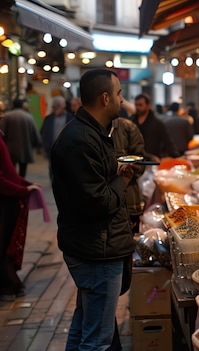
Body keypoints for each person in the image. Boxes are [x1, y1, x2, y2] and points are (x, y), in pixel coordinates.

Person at [50, 69, 138, 351]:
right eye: (119, 94)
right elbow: (98, 201)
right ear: (104, 98)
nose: (122, 101)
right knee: (97, 339)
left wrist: (116, 171)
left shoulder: (91, 134)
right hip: (97, 249)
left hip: (93, 246)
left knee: (84, 325)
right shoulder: (81, 140)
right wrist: (123, 180)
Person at [0, 129, 41, 301]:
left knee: (5, 244)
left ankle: (9, 285)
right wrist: (22, 189)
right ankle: (8, 286)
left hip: (7, 201)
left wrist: (24, 185)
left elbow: (8, 172)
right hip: (4, 202)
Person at [110, 116, 146, 234]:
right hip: (99, 207)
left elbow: (141, 163)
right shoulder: (87, 132)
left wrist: (136, 166)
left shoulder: (128, 127)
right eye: (118, 95)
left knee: (128, 245)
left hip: (128, 201)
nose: (121, 100)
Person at [0, 98, 41, 177]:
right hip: (25, 148)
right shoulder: (28, 117)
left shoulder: (7, 116)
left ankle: (14, 183)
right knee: (23, 169)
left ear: (12, 105)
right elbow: (34, 133)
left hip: (10, 148)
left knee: (11, 169)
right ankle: (22, 182)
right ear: (22, 105)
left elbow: (2, 132)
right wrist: (38, 144)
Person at [129, 93, 177, 161]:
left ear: (148, 106)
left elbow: (167, 141)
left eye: (140, 105)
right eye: (136, 105)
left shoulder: (157, 123)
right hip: (135, 160)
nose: (137, 107)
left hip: (153, 161)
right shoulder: (131, 122)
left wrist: (175, 156)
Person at [41, 96, 73, 179]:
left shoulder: (70, 118)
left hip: (66, 148)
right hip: (51, 148)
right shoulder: (49, 119)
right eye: (58, 106)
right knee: (52, 167)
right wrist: (45, 147)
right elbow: (44, 133)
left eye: (61, 105)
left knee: (64, 167)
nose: (60, 107)